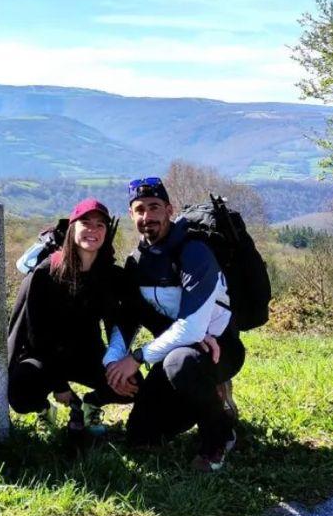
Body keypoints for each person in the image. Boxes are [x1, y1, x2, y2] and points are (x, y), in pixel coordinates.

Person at [103, 176, 245, 471]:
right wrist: (114, 361)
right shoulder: (136, 262)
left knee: (180, 364)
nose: (147, 216)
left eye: (154, 207)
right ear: (131, 215)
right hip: (172, 352)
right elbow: (126, 319)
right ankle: (209, 398)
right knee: (141, 435)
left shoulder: (193, 252)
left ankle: (219, 436)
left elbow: (192, 329)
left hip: (219, 347)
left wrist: (137, 358)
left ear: (170, 209)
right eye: (139, 209)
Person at [7, 197, 138, 436]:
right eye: (85, 223)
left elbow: (119, 321)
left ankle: (91, 403)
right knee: (20, 391)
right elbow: (37, 335)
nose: (92, 230)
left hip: (87, 354)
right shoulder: (46, 273)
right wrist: (59, 385)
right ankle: (44, 408)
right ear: (72, 228)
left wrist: (117, 363)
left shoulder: (110, 276)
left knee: (132, 384)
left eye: (100, 225)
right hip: (45, 356)